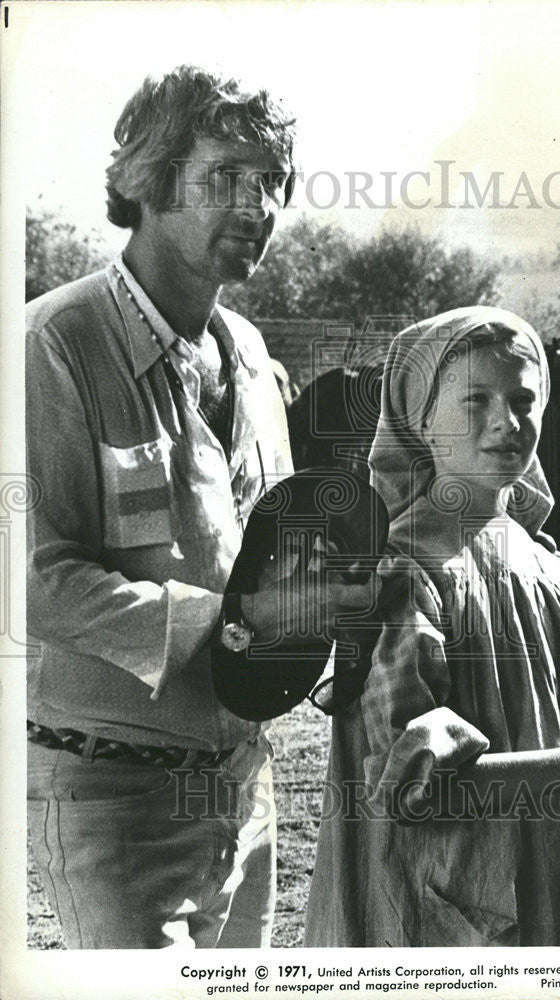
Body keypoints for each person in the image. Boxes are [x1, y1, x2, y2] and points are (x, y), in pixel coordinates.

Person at [25, 65, 371, 949]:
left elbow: (279, 550)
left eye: (273, 183)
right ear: (148, 179)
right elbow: (31, 581)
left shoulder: (250, 355)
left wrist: (328, 622)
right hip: (110, 797)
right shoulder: (51, 346)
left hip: (243, 790)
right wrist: (235, 623)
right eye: (227, 178)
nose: (258, 206)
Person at [304, 306, 560, 947]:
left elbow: (551, 720)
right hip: (460, 913)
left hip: (556, 877)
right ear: (420, 420)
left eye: (523, 398)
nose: (505, 422)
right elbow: (415, 788)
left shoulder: (541, 560)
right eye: (476, 399)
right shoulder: (404, 572)